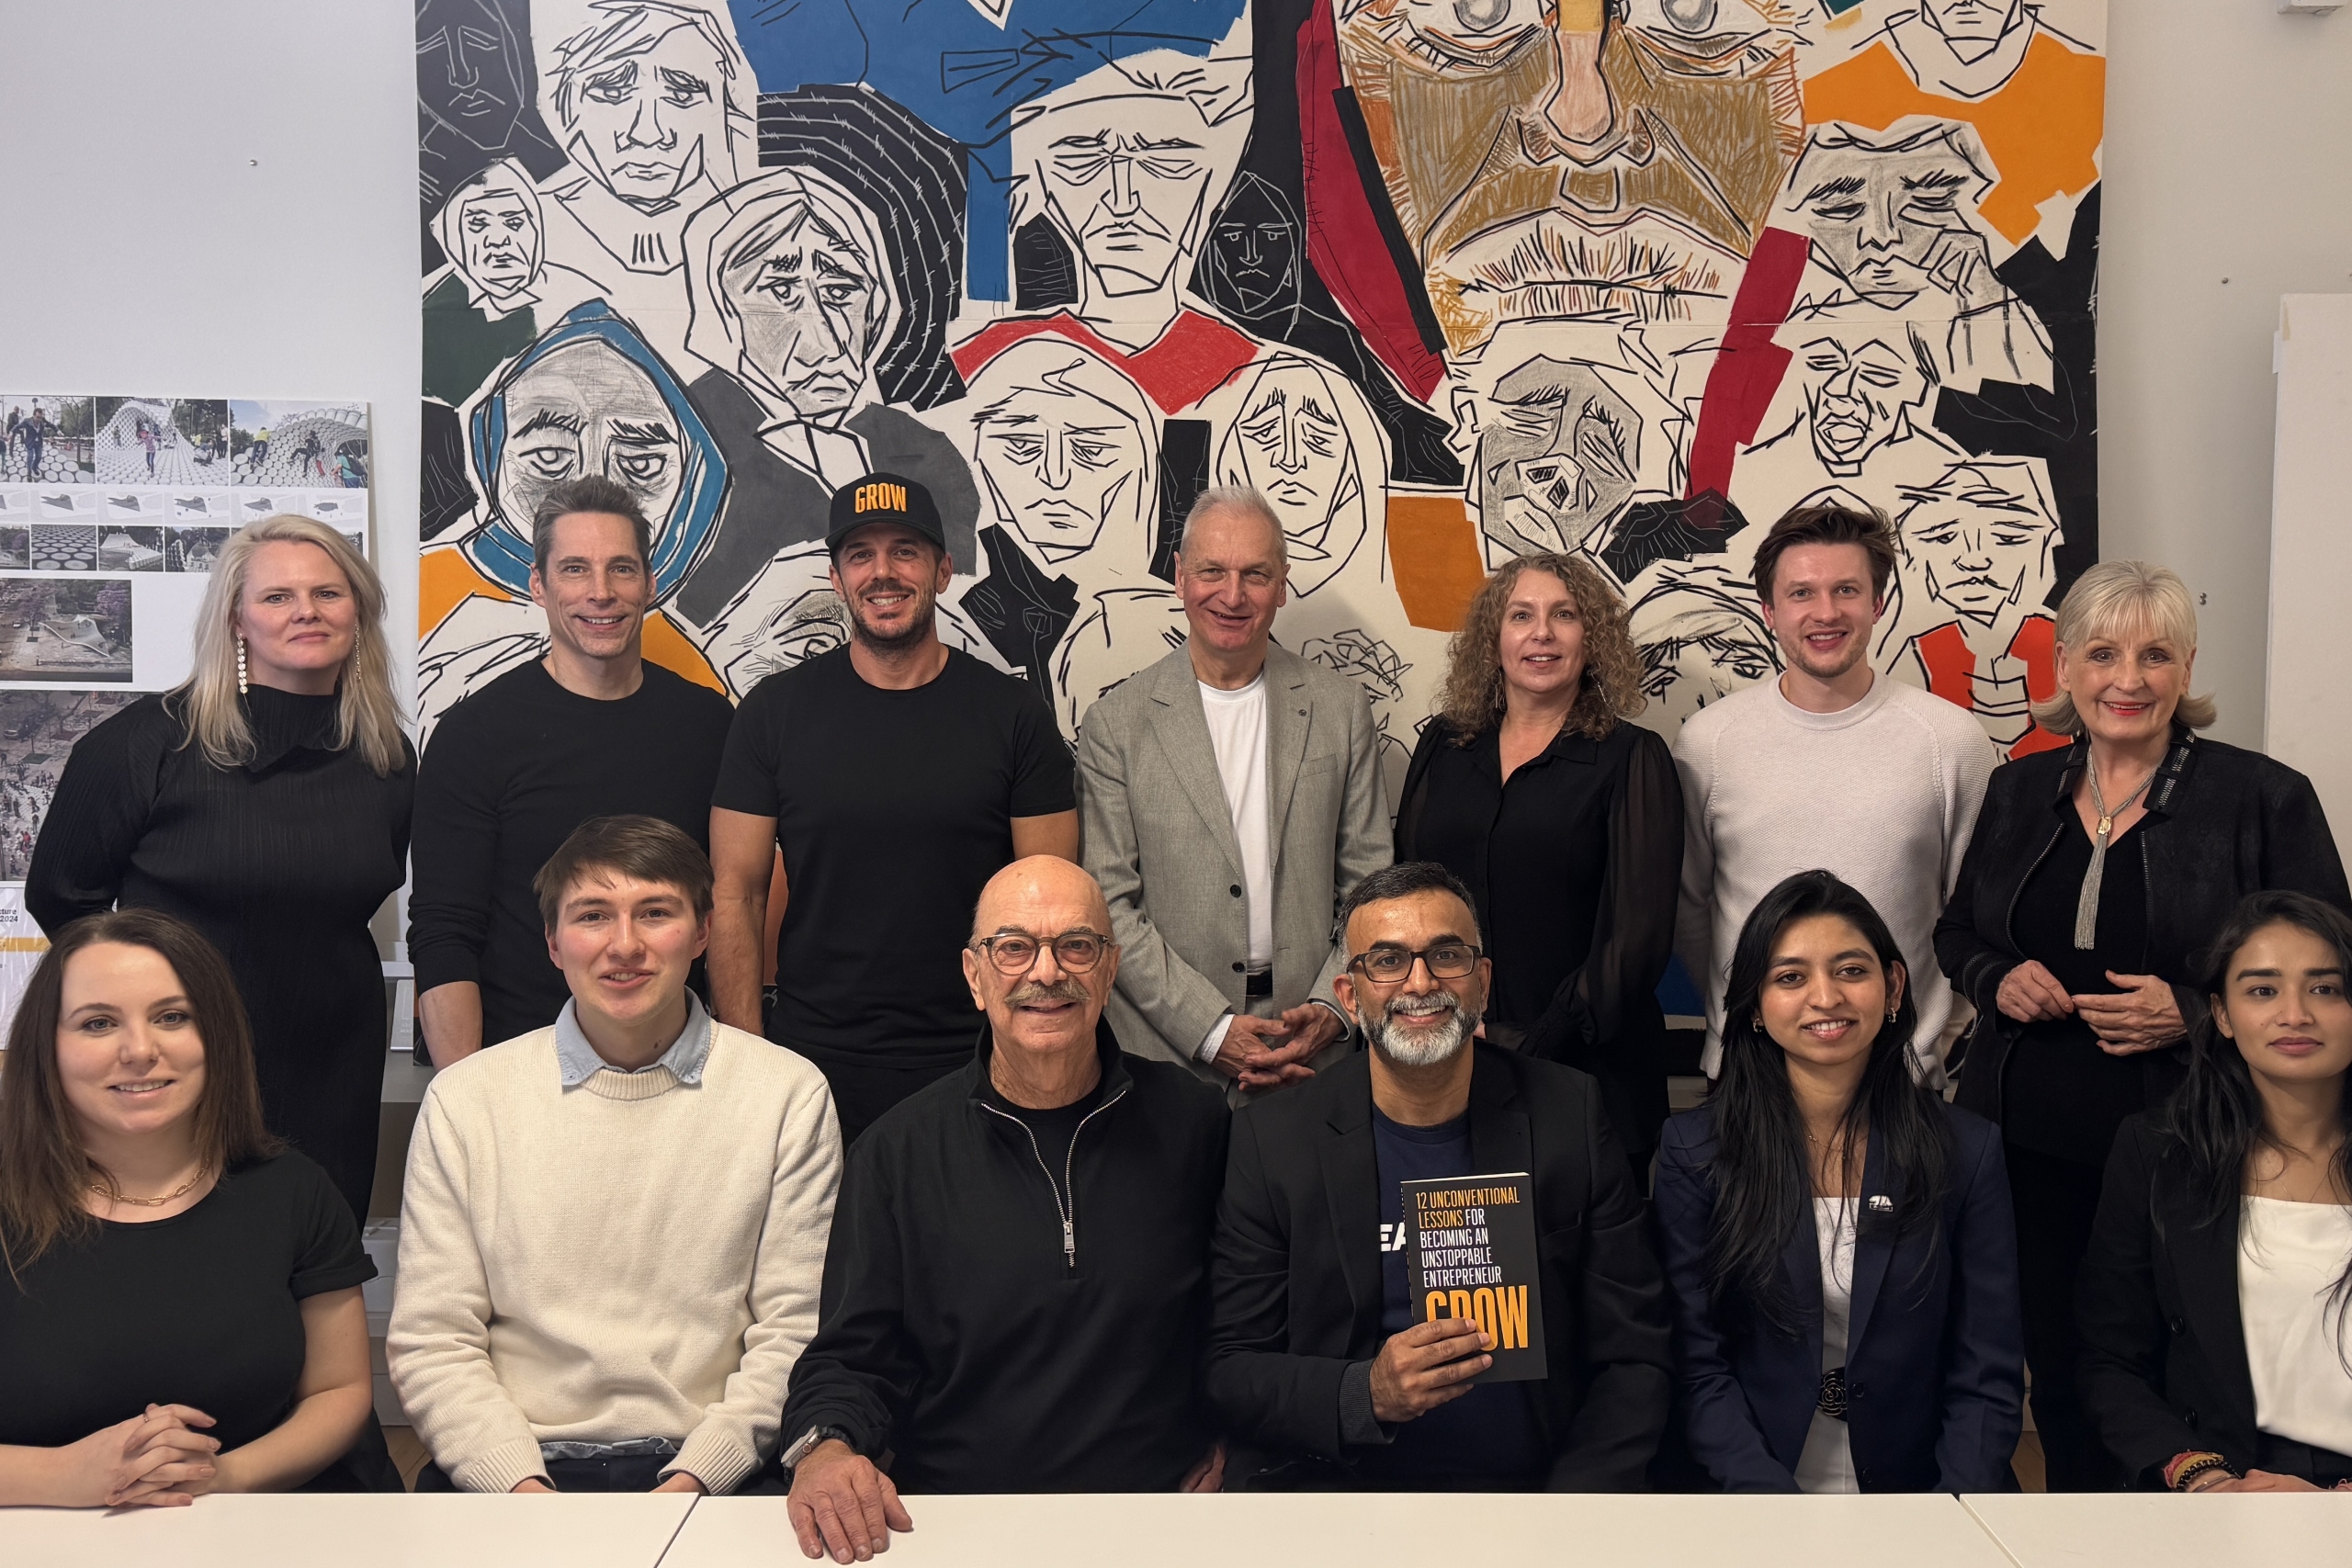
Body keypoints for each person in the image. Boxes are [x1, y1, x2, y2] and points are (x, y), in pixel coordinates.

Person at [1936, 559, 2351, 1491]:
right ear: (2066, 671)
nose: (2128, 678)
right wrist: (1994, 977)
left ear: (2186, 668)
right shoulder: (2016, 790)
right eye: (2102, 653)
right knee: (2064, 1367)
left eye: (2154, 654)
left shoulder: (2260, 797)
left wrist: (2195, 1013)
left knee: (2186, 1368)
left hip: (2193, 1142)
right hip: (2024, 1141)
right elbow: (1955, 930)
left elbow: (2329, 963)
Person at [779, 858, 1227, 1559]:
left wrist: (1243, 1436)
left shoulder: (1198, 1123)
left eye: (1076, 945)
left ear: (1110, 970)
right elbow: (850, 1356)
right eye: (1014, 947)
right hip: (957, 1527)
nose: (1046, 972)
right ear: (974, 974)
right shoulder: (896, 1152)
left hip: (1164, 1520)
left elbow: (1247, 1324)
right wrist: (826, 1447)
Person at [390, 817, 840, 1495]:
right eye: (593, 915)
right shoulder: (466, 1100)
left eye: (655, 912)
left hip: (716, 1474)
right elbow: (434, 1340)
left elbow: (792, 1331)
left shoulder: (787, 1094)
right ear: (552, 942)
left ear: (702, 931)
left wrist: (698, 1476)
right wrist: (521, 1488)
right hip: (516, 1479)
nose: (623, 945)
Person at [1206, 862, 1672, 1491]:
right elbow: (1232, 1369)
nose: (1420, 982)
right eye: (1389, 960)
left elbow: (1635, 1355)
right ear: (1349, 993)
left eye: (1446, 955)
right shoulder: (1273, 1140)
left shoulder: (1571, 1113)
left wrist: (1570, 1517)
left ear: (1482, 981)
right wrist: (1363, 1393)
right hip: (1339, 1502)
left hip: (1534, 1498)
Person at [28, 514, 413, 1223]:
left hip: (334, 1057)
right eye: (277, 596)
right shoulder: (146, 743)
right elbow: (61, 897)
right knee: (185, 1267)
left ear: (357, 611)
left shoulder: (386, 757)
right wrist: (146, 1015)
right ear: (237, 618)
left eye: (328, 592)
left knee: (315, 1260)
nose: (306, 610)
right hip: (178, 1061)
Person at [708, 474, 1078, 1144]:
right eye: (861, 554)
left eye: (905, 550)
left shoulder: (1013, 716)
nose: (883, 572)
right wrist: (747, 1063)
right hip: (811, 1064)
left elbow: (1052, 904)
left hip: (977, 1059)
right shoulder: (772, 714)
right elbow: (736, 893)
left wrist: (1035, 1052)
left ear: (943, 570)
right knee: (822, 1252)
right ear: (837, 575)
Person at [0, 909, 396, 1506]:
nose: (140, 1049)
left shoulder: (293, 1190)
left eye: (172, 1016)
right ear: (46, 1046)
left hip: (266, 1522)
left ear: (216, 1034)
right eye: (98, 1022)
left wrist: (220, 1478)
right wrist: (65, 1477)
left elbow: (338, 1391)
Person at [1653, 872, 2022, 1494]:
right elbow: (1695, 1364)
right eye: (1790, 976)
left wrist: (1950, 1513)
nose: (1825, 996)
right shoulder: (1696, 1151)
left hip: (1924, 1489)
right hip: (1748, 1488)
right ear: (1755, 1006)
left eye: (1851, 970)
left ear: (1895, 986)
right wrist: (1774, 1509)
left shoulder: (1968, 1149)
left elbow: (1987, 1367)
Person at [1078, 487, 1390, 1100]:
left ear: (1282, 586)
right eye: (1212, 571)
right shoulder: (1116, 722)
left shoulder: (1342, 709)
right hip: (1166, 1053)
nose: (1232, 594)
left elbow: (1370, 885)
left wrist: (1334, 1007)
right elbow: (1109, 904)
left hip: (1312, 1048)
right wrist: (1210, 1029)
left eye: (1256, 574)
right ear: (1180, 577)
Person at [411, 477, 734, 1062]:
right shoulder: (473, 735)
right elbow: (444, 932)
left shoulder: (710, 726)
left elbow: (733, 903)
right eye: (575, 569)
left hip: (682, 1066)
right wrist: (465, 1099)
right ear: (538, 584)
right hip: (521, 1067)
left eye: (622, 568)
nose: (601, 592)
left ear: (651, 582)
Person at [1675, 502, 1997, 1084]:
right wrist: (1744, 1007)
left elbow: (1971, 917)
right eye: (1801, 594)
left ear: (1877, 604)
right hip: (1748, 1077)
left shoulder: (1951, 740)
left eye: (1846, 590)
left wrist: (1934, 1042)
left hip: (1901, 1080)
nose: (1826, 613)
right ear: (1769, 611)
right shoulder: (1708, 743)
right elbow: (1689, 908)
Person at [1395, 552, 1683, 1166]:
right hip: (1445, 1058)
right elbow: (1405, 895)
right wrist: (1442, 1020)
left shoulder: (1632, 758)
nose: (1542, 633)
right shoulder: (1442, 745)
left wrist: (1528, 1043)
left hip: (1587, 1070)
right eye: (1521, 615)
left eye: (1565, 615)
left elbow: (1636, 940)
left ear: (1593, 638)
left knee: (1579, 1254)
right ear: (1493, 637)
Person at [2078, 891, 2352, 1493]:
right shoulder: (2156, 1153)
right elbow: (2111, 1360)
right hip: (2217, 1488)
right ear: (2221, 1014)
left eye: (2325, 988)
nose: (2295, 1013)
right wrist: (2205, 1478)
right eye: (2262, 989)